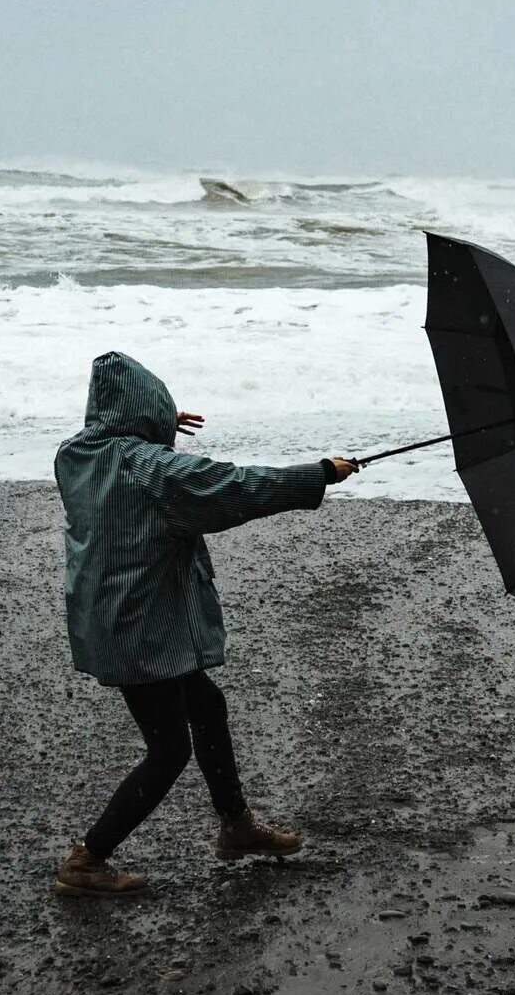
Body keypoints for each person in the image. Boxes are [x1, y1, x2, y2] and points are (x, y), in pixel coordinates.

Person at [51, 351, 361, 896]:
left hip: (111, 614)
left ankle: (237, 825)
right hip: (140, 627)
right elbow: (235, 487)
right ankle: (87, 859)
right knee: (169, 749)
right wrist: (318, 475)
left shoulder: (76, 456)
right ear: (143, 412)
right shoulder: (152, 469)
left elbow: (124, 448)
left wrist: (156, 423)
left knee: (206, 704)